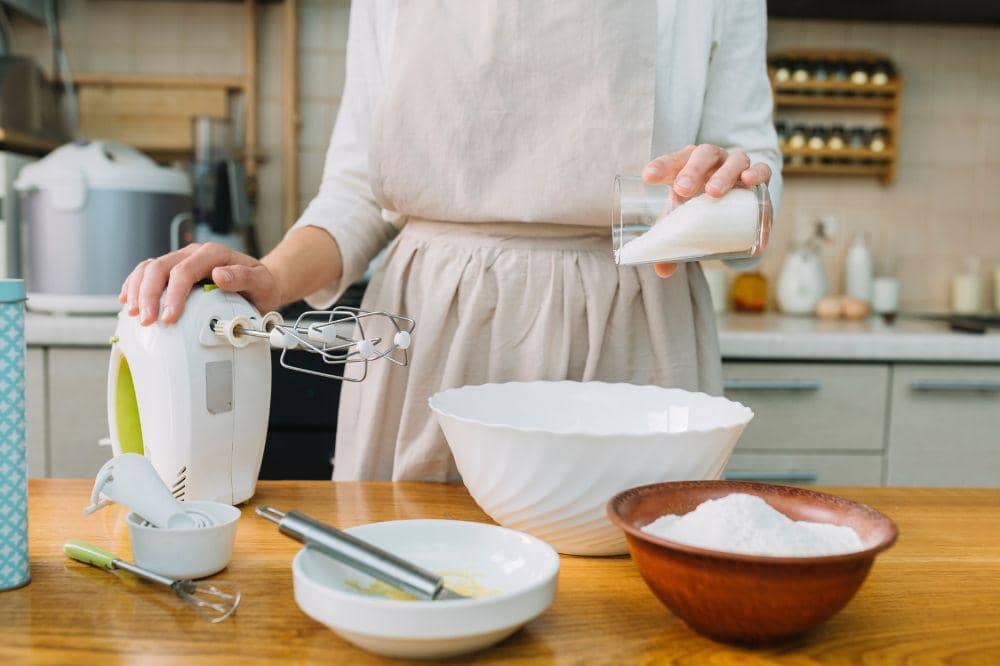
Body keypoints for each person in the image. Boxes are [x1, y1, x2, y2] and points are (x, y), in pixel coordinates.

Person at [120, 1, 781, 482]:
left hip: (630, 342)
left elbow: (756, 189)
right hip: (429, 342)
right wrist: (267, 278)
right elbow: (358, 192)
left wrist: (731, 186)